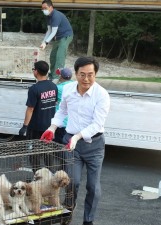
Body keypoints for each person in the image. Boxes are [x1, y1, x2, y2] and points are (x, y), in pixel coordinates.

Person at [40, 57, 110, 225]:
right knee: (72, 182)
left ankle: (88, 220)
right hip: (71, 144)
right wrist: (52, 128)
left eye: (90, 75)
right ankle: (68, 213)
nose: (86, 79)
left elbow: (97, 124)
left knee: (93, 187)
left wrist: (77, 137)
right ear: (76, 73)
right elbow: (62, 110)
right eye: (82, 74)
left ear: (96, 74)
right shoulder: (68, 90)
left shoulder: (102, 95)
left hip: (94, 145)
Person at [19, 60, 58, 173]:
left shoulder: (34, 89)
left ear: (36, 71)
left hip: (36, 127)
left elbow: (30, 108)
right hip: (50, 126)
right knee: (48, 152)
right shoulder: (53, 86)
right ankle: (50, 175)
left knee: (34, 153)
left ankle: (37, 176)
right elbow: (53, 103)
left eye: (33, 69)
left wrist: (25, 126)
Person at [40, 0, 73, 80]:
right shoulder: (48, 17)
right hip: (58, 37)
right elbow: (49, 31)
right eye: (42, 8)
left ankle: (57, 78)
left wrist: (46, 42)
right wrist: (43, 42)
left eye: (45, 8)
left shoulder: (56, 15)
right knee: (53, 57)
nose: (44, 10)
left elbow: (53, 31)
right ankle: (52, 76)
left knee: (59, 57)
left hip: (66, 36)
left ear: (51, 7)